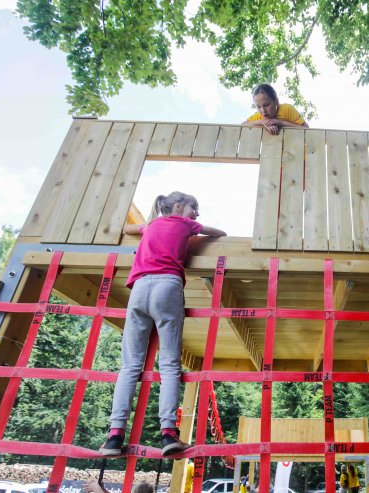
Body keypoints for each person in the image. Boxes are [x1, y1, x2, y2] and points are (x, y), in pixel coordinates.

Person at [99, 192, 227, 458]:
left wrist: (152, 219)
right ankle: (168, 432)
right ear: (179, 207)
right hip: (167, 285)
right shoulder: (184, 224)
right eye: (195, 208)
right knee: (169, 363)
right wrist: (201, 227)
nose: (197, 214)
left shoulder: (152, 225)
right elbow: (219, 232)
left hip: (139, 289)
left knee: (130, 365)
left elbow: (127, 228)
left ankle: (114, 435)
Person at [242, 83, 308, 135]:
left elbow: (306, 129)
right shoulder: (259, 116)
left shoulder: (287, 109)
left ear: (276, 101)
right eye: (258, 107)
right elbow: (243, 125)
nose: (263, 111)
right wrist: (261, 122)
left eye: (266, 105)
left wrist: (281, 123)